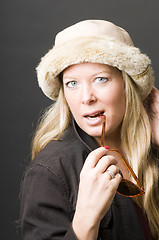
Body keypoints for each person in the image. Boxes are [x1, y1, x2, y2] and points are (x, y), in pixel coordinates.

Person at [20, 20, 159, 239]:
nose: (86, 98)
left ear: (128, 84)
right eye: (72, 83)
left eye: (100, 79)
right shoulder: (50, 171)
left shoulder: (153, 149)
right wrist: (86, 220)